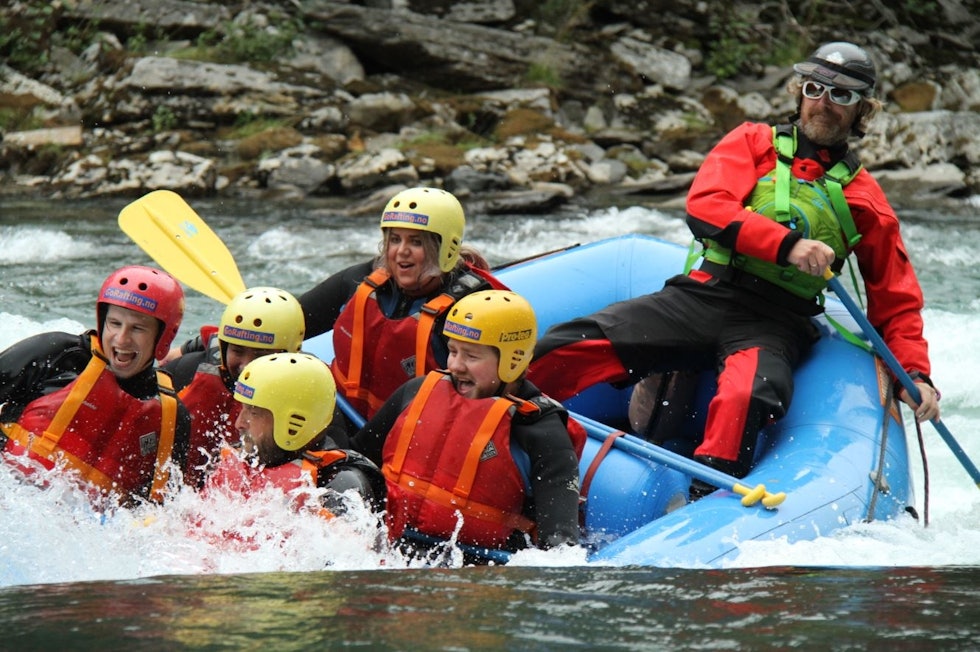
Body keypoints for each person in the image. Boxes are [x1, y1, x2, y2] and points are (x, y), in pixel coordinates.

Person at [526, 41, 940, 499]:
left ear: (862, 110)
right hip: (702, 295)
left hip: (774, 322)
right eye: (815, 88)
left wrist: (916, 376)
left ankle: (703, 508)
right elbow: (707, 207)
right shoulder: (752, 142)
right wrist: (788, 245)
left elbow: (896, 302)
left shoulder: (867, 202)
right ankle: (503, 432)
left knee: (747, 397)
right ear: (799, 93)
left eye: (841, 96)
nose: (825, 103)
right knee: (568, 344)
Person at [352, 290, 582, 558]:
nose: (456, 366)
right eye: (452, 351)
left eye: (471, 357)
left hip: (477, 568)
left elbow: (560, 545)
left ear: (513, 359)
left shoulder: (541, 431)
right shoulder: (416, 392)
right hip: (388, 549)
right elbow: (356, 460)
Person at [299, 186, 506, 424]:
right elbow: (292, 320)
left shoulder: (470, 309)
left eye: (416, 242)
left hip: (414, 437)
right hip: (339, 418)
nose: (401, 252)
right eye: (394, 239)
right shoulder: (362, 281)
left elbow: (484, 402)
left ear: (444, 248)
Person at [0, 265, 191, 505]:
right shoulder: (56, 355)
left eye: (137, 328)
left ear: (163, 337)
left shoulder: (171, 418)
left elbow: (163, 512)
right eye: (114, 323)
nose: (121, 339)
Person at [164, 286, 318, 487]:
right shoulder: (188, 371)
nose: (246, 365)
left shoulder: (309, 391)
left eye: (260, 354)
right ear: (224, 347)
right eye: (237, 351)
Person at [207, 351, 384, 516]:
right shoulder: (236, 459)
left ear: (294, 424)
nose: (239, 424)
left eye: (254, 412)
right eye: (243, 409)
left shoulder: (339, 487)